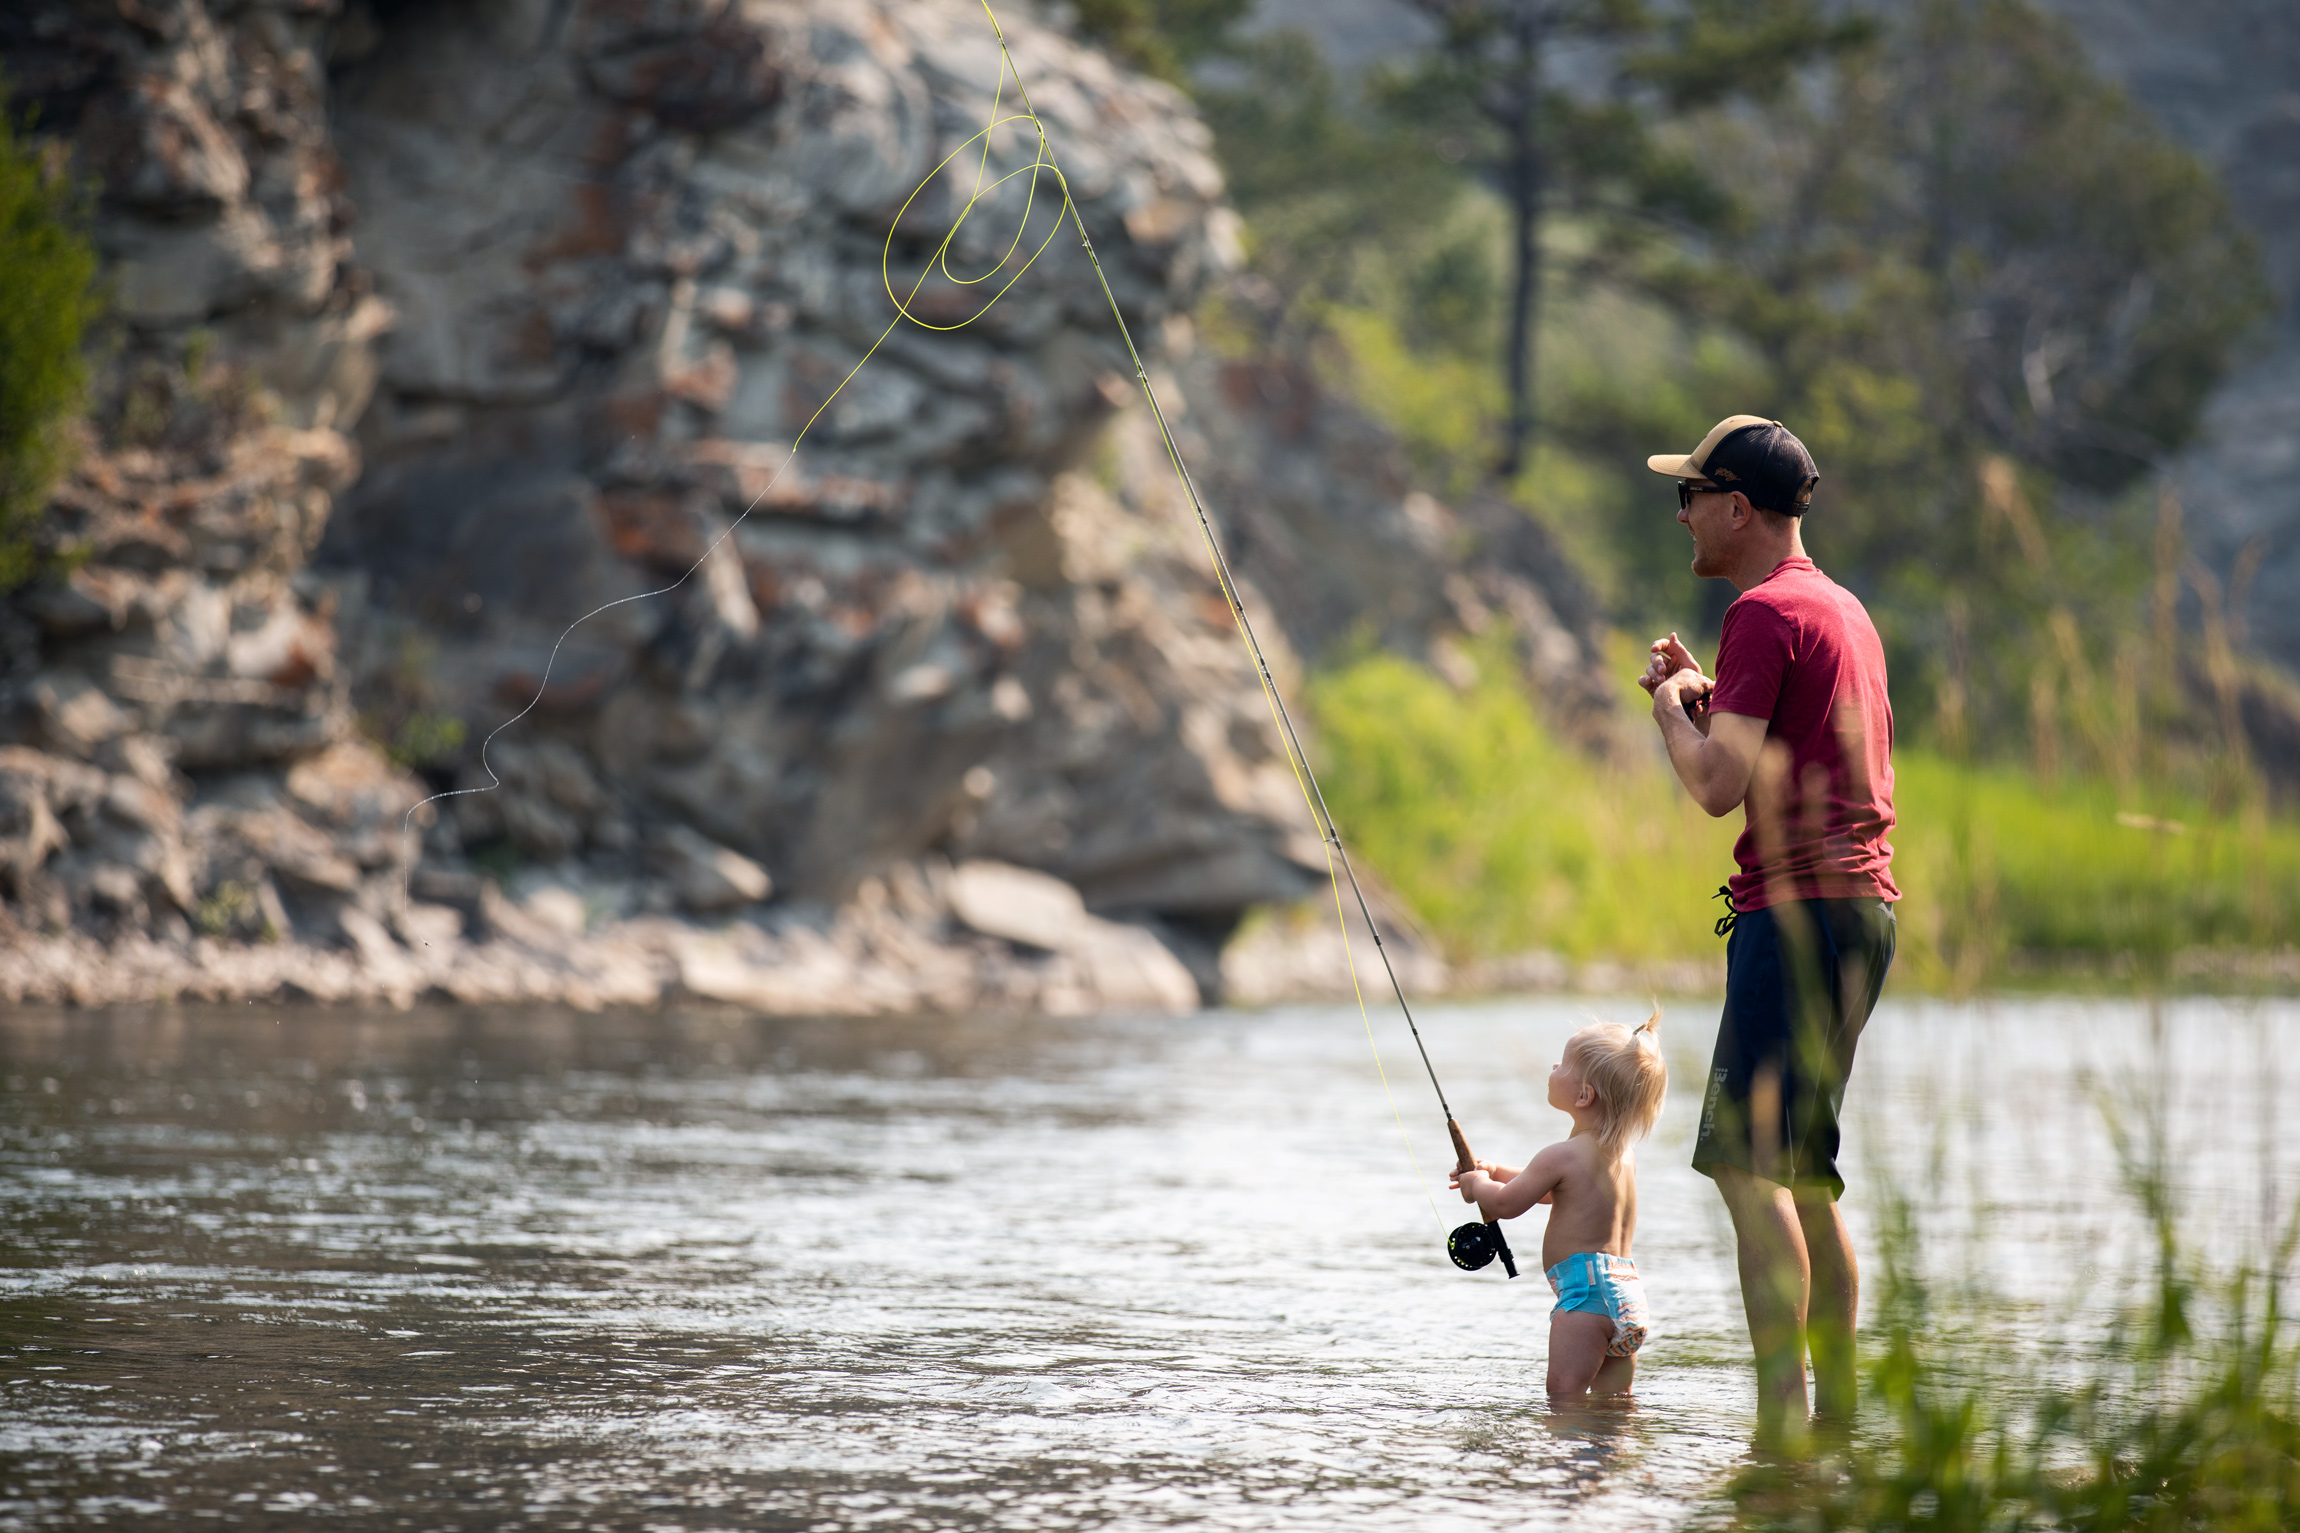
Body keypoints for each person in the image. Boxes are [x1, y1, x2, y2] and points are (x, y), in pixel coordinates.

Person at [1634, 415, 1898, 1444]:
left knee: (1748, 1171)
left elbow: (1713, 789)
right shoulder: (1836, 608)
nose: (1682, 515)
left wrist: (1665, 707)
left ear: (1735, 507)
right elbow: (1778, 748)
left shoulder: (1760, 614)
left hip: (1794, 917)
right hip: (1860, 918)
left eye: (1689, 495)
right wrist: (1709, 696)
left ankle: (1777, 1436)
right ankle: (1831, 1429)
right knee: (1803, 1174)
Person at [1450, 1016, 1668, 1398]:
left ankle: (1565, 1459)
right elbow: (1555, 1192)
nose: (1554, 1067)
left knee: (1563, 1397)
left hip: (1586, 1300)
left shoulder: (1560, 1155)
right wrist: (1499, 1170)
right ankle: (1615, 1456)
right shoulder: (1622, 1155)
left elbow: (1505, 1203)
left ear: (1584, 1096)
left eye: (1563, 1064)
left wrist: (1476, 1184)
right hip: (1628, 1295)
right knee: (1614, 1404)